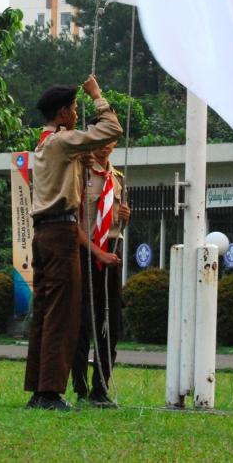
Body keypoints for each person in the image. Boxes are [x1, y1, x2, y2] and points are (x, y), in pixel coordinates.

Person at [24, 75, 123, 411]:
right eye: (75, 108)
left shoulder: (45, 143)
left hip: (43, 234)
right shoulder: (63, 142)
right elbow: (111, 129)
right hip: (61, 233)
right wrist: (97, 95)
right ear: (63, 113)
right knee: (63, 315)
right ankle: (50, 392)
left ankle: (39, 388)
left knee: (45, 312)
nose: (77, 113)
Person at [72, 139, 129, 408]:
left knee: (111, 325)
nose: (105, 147)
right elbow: (74, 224)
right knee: (83, 323)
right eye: (101, 141)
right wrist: (97, 253)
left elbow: (116, 225)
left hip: (111, 257)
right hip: (86, 255)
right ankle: (81, 388)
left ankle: (101, 389)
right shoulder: (80, 175)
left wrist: (126, 217)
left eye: (110, 142)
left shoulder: (118, 179)